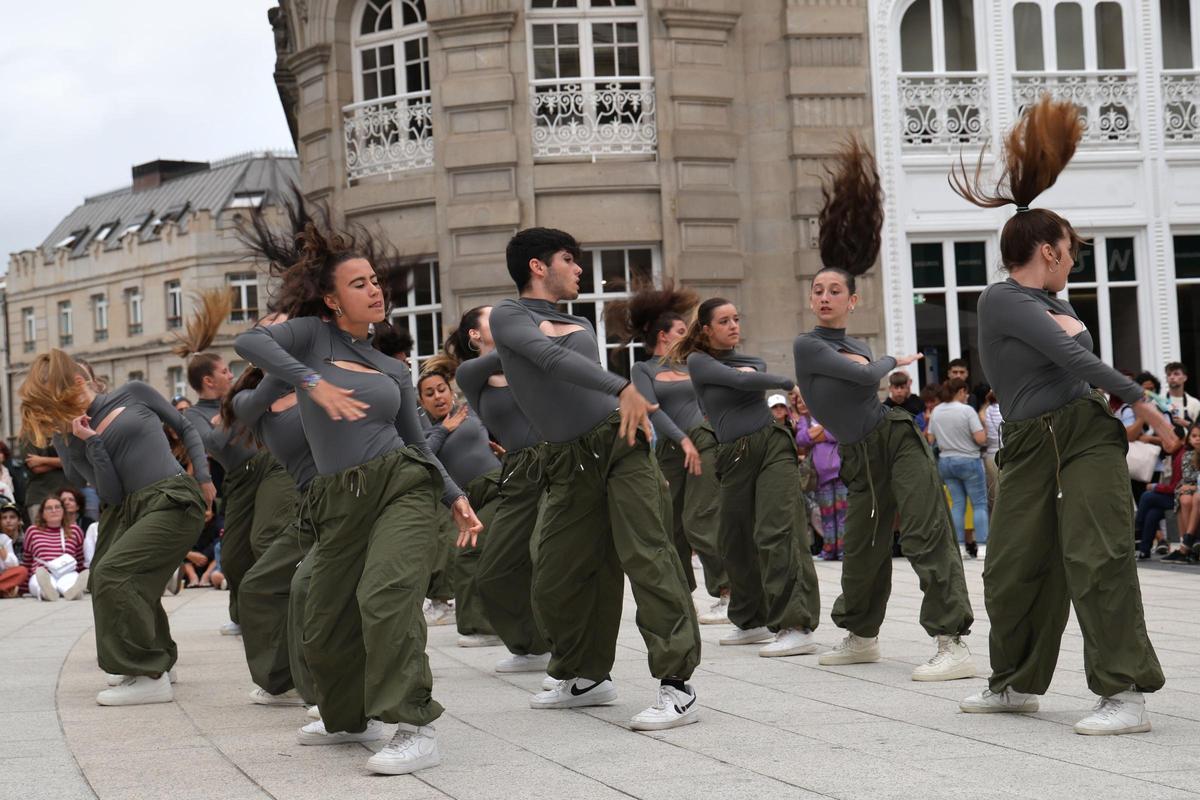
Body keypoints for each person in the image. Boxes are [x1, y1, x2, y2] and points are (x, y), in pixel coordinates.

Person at [951, 95, 1177, 734]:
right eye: (1070, 250)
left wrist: (1133, 400)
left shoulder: (1057, 300)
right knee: (1012, 564)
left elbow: (1078, 359)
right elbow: (1067, 351)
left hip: (1083, 436)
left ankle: (1124, 693)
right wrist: (1143, 401)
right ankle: (1015, 683)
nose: (1073, 261)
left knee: (1097, 555)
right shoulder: (1000, 300)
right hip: (1026, 443)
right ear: (1048, 250)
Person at [235, 221, 481, 775]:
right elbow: (248, 342)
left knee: (386, 596)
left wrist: (453, 495)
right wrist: (309, 381)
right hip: (336, 500)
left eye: (376, 282)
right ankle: (347, 718)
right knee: (322, 612)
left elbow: (417, 443)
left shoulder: (394, 370)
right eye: (359, 284)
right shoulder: (311, 337)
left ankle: (415, 725)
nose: (375, 291)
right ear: (330, 299)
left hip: (402, 484)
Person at [490, 227, 702, 731]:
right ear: (538, 266)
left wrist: (624, 396)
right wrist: (622, 384)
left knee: (646, 556)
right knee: (556, 572)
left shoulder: (573, 319)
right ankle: (587, 676)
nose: (579, 269)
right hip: (566, 459)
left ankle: (677, 684)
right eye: (570, 259)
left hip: (618, 443)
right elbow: (548, 359)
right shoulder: (509, 315)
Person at [793, 139, 974, 682]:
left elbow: (869, 376)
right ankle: (861, 634)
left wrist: (883, 363)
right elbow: (867, 376)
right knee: (864, 545)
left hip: (895, 438)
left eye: (834, 292)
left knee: (924, 532)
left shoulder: (855, 345)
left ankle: (952, 641)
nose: (824, 297)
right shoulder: (812, 345)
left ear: (854, 301)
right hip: (859, 451)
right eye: (817, 290)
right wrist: (893, 360)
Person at [21, 350, 214, 704]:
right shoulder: (71, 435)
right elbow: (110, 491)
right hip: (129, 507)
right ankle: (158, 660)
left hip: (172, 497)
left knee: (115, 572)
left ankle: (148, 673)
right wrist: (81, 441)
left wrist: (203, 477)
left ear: (79, 383)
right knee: (115, 577)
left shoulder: (134, 392)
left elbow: (184, 426)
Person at [679, 298, 821, 658]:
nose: (733, 326)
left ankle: (796, 625)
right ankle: (751, 620)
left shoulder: (750, 361)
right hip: (732, 454)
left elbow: (753, 372)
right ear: (706, 329)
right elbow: (737, 378)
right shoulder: (698, 362)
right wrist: (781, 380)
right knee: (734, 537)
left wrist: (754, 376)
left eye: (737, 319)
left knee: (776, 531)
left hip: (770, 445)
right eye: (724, 321)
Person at [436, 305, 553, 672]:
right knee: (494, 571)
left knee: (546, 557)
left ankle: (568, 653)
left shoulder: (528, 364)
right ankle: (529, 646)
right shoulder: (472, 373)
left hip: (556, 461)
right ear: (474, 335)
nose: (503, 322)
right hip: (517, 472)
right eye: (492, 318)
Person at [176, 290, 296, 639]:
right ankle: (242, 614)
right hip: (238, 481)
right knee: (233, 555)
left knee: (265, 539)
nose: (231, 374)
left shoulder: (242, 394)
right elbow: (210, 443)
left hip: (270, 467)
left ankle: (278, 611)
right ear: (209, 381)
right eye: (225, 371)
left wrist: (234, 415)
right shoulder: (195, 414)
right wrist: (236, 417)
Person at [607, 284, 730, 623]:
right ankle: (682, 596)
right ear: (663, 336)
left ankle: (727, 592)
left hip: (702, 442)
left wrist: (700, 436)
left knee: (700, 518)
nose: (686, 335)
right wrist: (680, 439)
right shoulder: (644, 370)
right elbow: (651, 408)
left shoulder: (695, 364)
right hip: (669, 452)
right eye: (680, 331)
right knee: (670, 525)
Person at [417, 368, 502, 648]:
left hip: (496, 488)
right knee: (472, 555)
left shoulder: (470, 411)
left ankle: (482, 628)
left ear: (450, 391)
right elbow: (423, 455)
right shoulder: (425, 431)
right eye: (429, 393)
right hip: (467, 500)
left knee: (469, 554)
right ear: (421, 401)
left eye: (441, 389)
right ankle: (488, 626)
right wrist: (444, 429)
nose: (438, 396)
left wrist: (503, 450)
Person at [929, 379, 988, 559]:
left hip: (946, 461)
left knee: (957, 504)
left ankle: (960, 547)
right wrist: (984, 427)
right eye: (966, 392)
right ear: (961, 391)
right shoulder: (967, 410)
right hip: (969, 459)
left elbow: (931, 439)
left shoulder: (936, 411)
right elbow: (980, 439)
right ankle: (983, 547)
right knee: (979, 503)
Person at [795, 395, 845, 562]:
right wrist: (824, 429)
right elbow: (801, 439)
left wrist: (816, 434)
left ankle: (843, 549)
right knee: (826, 513)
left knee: (843, 512)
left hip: (840, 472)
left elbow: (839, 434)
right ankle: (829, 549)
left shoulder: (835, 415)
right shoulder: (805, 419)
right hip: (820, 474)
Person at [20, 495, 87, 601]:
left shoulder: (75, 530)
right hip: (42, 573)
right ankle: (46, 593)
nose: (54, 510)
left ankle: (73, 591)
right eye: (49, 508)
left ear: (63, 511)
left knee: (70, 582)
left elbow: (79, 559)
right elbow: (27, 561)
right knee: (40, 583)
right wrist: (22, 588)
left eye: (57, 507)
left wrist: (84, 574)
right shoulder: (32, 531)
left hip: (67, 572)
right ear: (42, 513)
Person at [1134, 429, 1185, 560]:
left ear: (1182, 440)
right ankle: (1144, 550)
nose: (1166, 443)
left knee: (1147, 496)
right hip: (1174, 495)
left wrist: (1156, 487)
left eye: (1170, 440)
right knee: (1153, 513)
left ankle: (1137, 528)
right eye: (1163, 440)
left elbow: (1175, 487)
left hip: (1179, 496)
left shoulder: (1181, 456)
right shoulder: (1172, 455)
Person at [1163, 423, 1200, 563]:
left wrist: (1193, 488)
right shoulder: (1188, 455)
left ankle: (1187, 545)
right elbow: (1189, 476)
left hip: (1195, 489)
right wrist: (1191, 487)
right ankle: (1189, 544)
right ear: (1189, 439)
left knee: (1195, 497)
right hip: (1189, 487)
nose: (1197, 439)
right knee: (1185, 499)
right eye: (1194, 436)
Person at [980, 390, 1003, 512]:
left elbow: (982, 419)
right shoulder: (1005, 410)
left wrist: (986, 403)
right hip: (1004, 452)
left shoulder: (987, 411)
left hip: (990, 454)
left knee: (993, 490)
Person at [0, 501, 27, 597]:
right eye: (4, 518)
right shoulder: (2, 538)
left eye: (12, 517)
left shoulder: (25, 541)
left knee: (22, 571)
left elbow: (22, 566)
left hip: (13, 578)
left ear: (19, 521)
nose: (8, 520)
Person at [1164, 362, 1200, 427]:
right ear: (1166, 379)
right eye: (1169, 374)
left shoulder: (1195, 403)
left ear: (1185, 378)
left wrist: (1187, 424)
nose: (1172, 377)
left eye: (1176, 374)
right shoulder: (1157, 401)